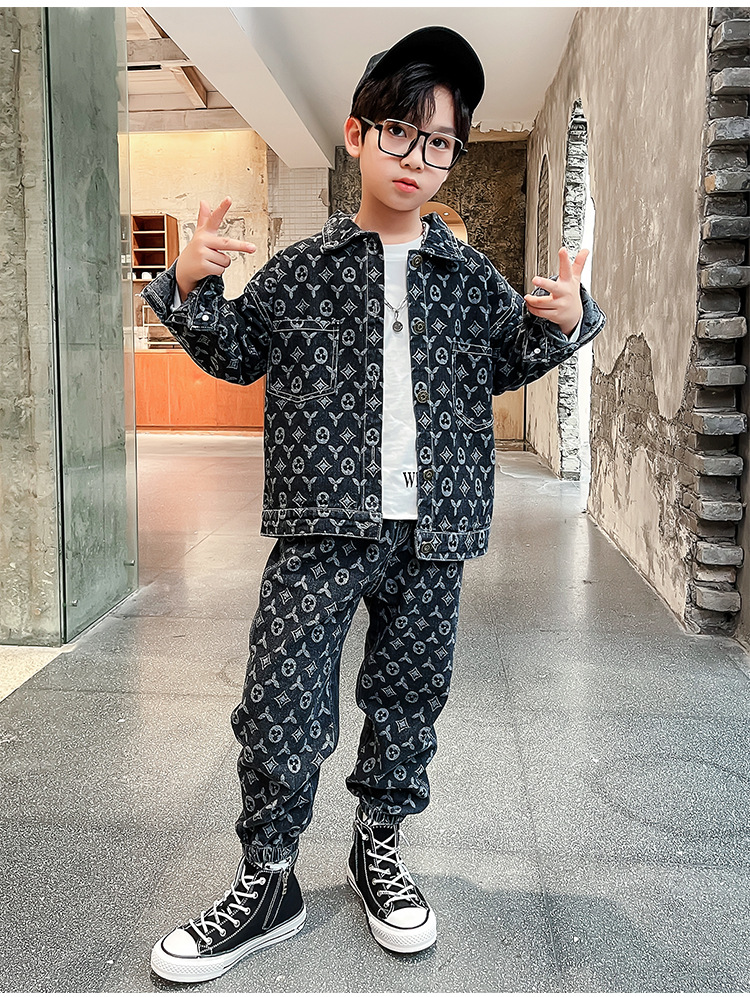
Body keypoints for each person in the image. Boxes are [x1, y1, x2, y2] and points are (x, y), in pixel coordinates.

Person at [142, 25, 605, 984]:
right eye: (400, 132)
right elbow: (234, 350)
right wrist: (188, 280)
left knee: (407, 699)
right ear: (358, 134)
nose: (417, 159)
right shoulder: (303, 270)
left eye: (439, 143)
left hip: (435, 531)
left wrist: (569, 320)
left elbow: (509, 358)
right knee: (281, 697)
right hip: (321, 524)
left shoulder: (467, 278)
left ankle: (377, 848)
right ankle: (267, 879)